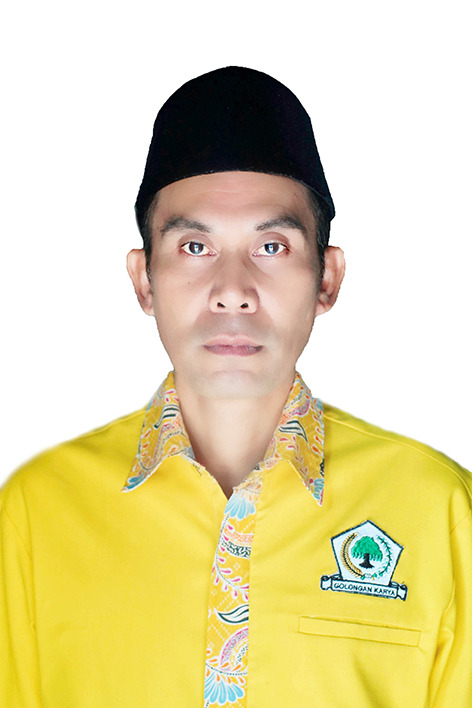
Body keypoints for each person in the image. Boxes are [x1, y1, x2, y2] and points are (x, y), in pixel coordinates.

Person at [1, 66, 470, 707]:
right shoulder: (37, 514)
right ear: (143, 280)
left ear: (327, 277)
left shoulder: (442, 512)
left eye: (272, 247)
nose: (232, 291)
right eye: (194, 247)